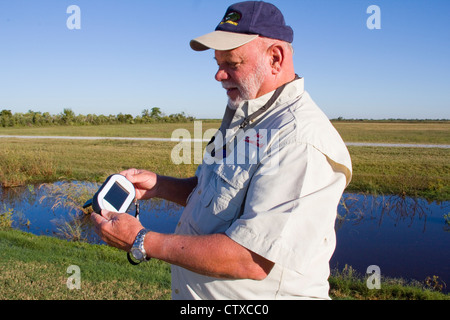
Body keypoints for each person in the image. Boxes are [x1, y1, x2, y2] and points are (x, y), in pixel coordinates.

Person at [91, 1, 352, 300]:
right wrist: (160, 186)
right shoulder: (246, 113)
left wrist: (142, 240)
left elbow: (251, 258)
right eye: (218, 64)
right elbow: (211, 192)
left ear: (275, 58)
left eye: (232, 63)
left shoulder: (299, 140)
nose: (219, 75)